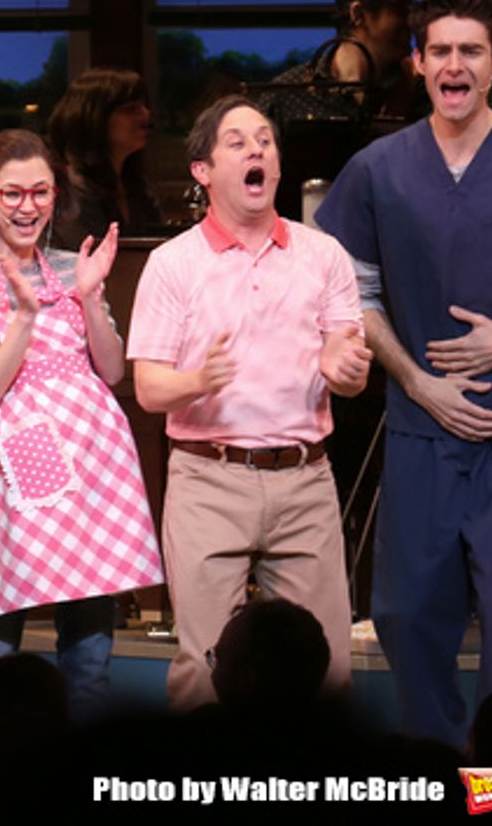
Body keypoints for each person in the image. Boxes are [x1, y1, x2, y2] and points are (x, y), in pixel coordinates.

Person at [316, 0, 492, 748]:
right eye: (440, 51)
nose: (455, 65)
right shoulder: (378, 168)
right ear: (418, 63)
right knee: (405, 609)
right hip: (421, 419)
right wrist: (416, 379)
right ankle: (435, 770)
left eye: (472, 51)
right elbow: (349, 289)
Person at [128, 95, 370, 711]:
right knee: (206, 666)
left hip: (305, 477)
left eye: (265, 140)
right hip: (209, 477)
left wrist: (343, 370)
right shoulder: (172, 264)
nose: (256, 150)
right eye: (237, 143)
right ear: (203, 171)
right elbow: (151, 389)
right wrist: (198, 381)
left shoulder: (324, 256)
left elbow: (350, 371)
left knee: (329, 667)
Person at [0, 130, 163, 719]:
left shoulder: (73, 265)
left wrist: (88, 298)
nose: (26, 206)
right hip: (18, 475)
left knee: (89, 655)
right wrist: (25, 320)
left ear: (55, 195)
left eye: (40, 192)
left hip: (91, 469)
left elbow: (111, 370)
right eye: (11, 193)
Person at [266, 0, 435, 126]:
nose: (411, 20)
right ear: (358, 14)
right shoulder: (289, 94)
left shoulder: (420, 91)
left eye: (412, 8)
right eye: (399, 8)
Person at [46, 68, 162, 243]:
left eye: (144, 106)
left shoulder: (136, 185)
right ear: (95, 119)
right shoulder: (71, 190)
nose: (145, 114)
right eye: (130, 109)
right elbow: (84, 255)